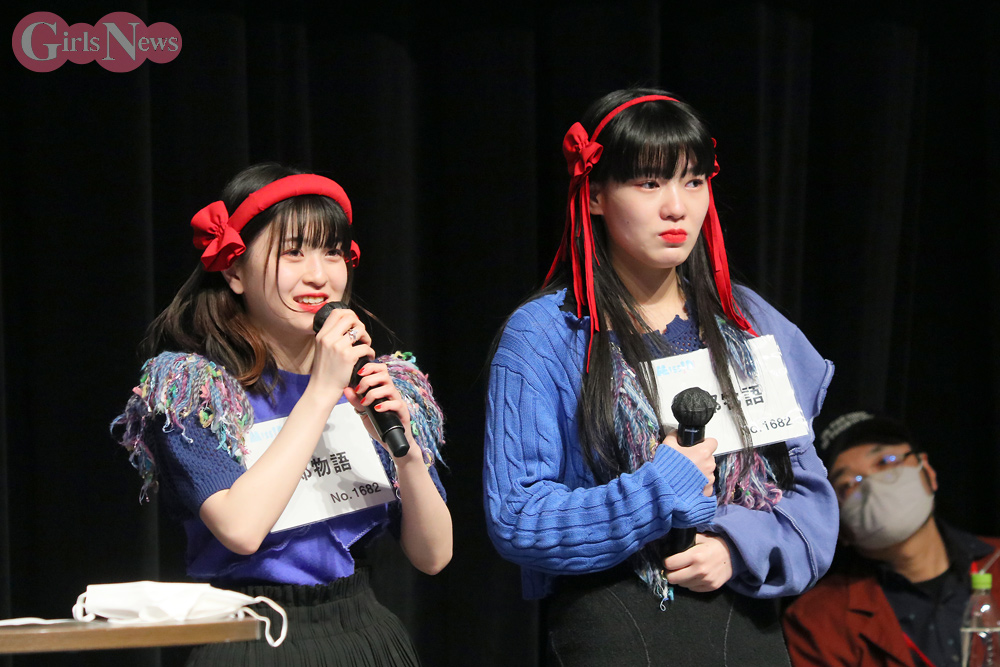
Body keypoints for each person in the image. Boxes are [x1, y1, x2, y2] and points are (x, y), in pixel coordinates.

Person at [483, 88, 839, 665]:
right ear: (595, 195)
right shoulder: (548, 334)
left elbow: (809, 497)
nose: (677, 207)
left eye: (693, 181)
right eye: (649, 183)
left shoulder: (745, 321)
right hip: (617, 624)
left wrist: (736, 546)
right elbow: (517, 517)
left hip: (745, 625)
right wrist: (657, 489)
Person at [112, 163, 452, 666]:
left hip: (364, 635)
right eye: (293, 252)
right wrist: (321, 391)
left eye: (332, 252)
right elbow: (241, 529)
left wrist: (405, 455)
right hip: (253, 639)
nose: (319, 275)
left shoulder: (374, 382)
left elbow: (434, 555)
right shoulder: (195, 390)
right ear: (234, 271)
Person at [783, 411, 1000, 667]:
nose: (872, 485)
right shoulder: (818, 622)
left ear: (928, 471)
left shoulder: (995, 560)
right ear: (836, 522)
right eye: (848, 484)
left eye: (885, 461)